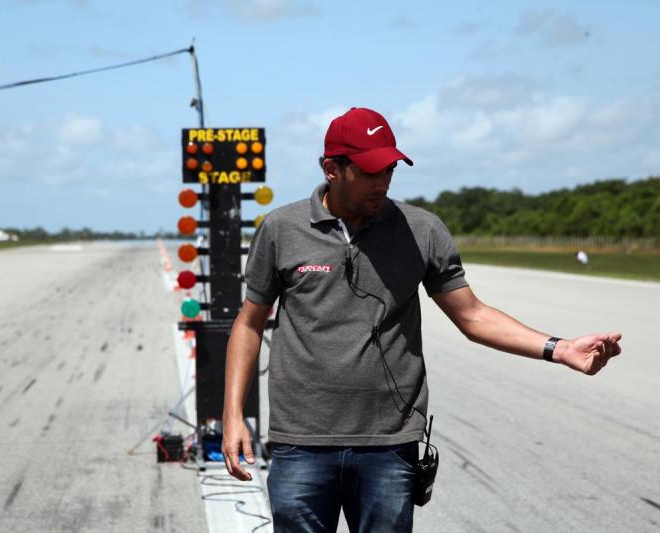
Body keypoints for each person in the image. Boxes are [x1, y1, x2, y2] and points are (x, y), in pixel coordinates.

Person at [222, 107, 622, 532]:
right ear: (332, 169)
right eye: (370, 172)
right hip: (301, 441)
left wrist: (560, 349)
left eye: (390, 169)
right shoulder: (281, 229)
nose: (383, 182)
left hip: (389, 444)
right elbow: (249, 324)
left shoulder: (421, 230)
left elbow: (473, 315)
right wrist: (232, 416)